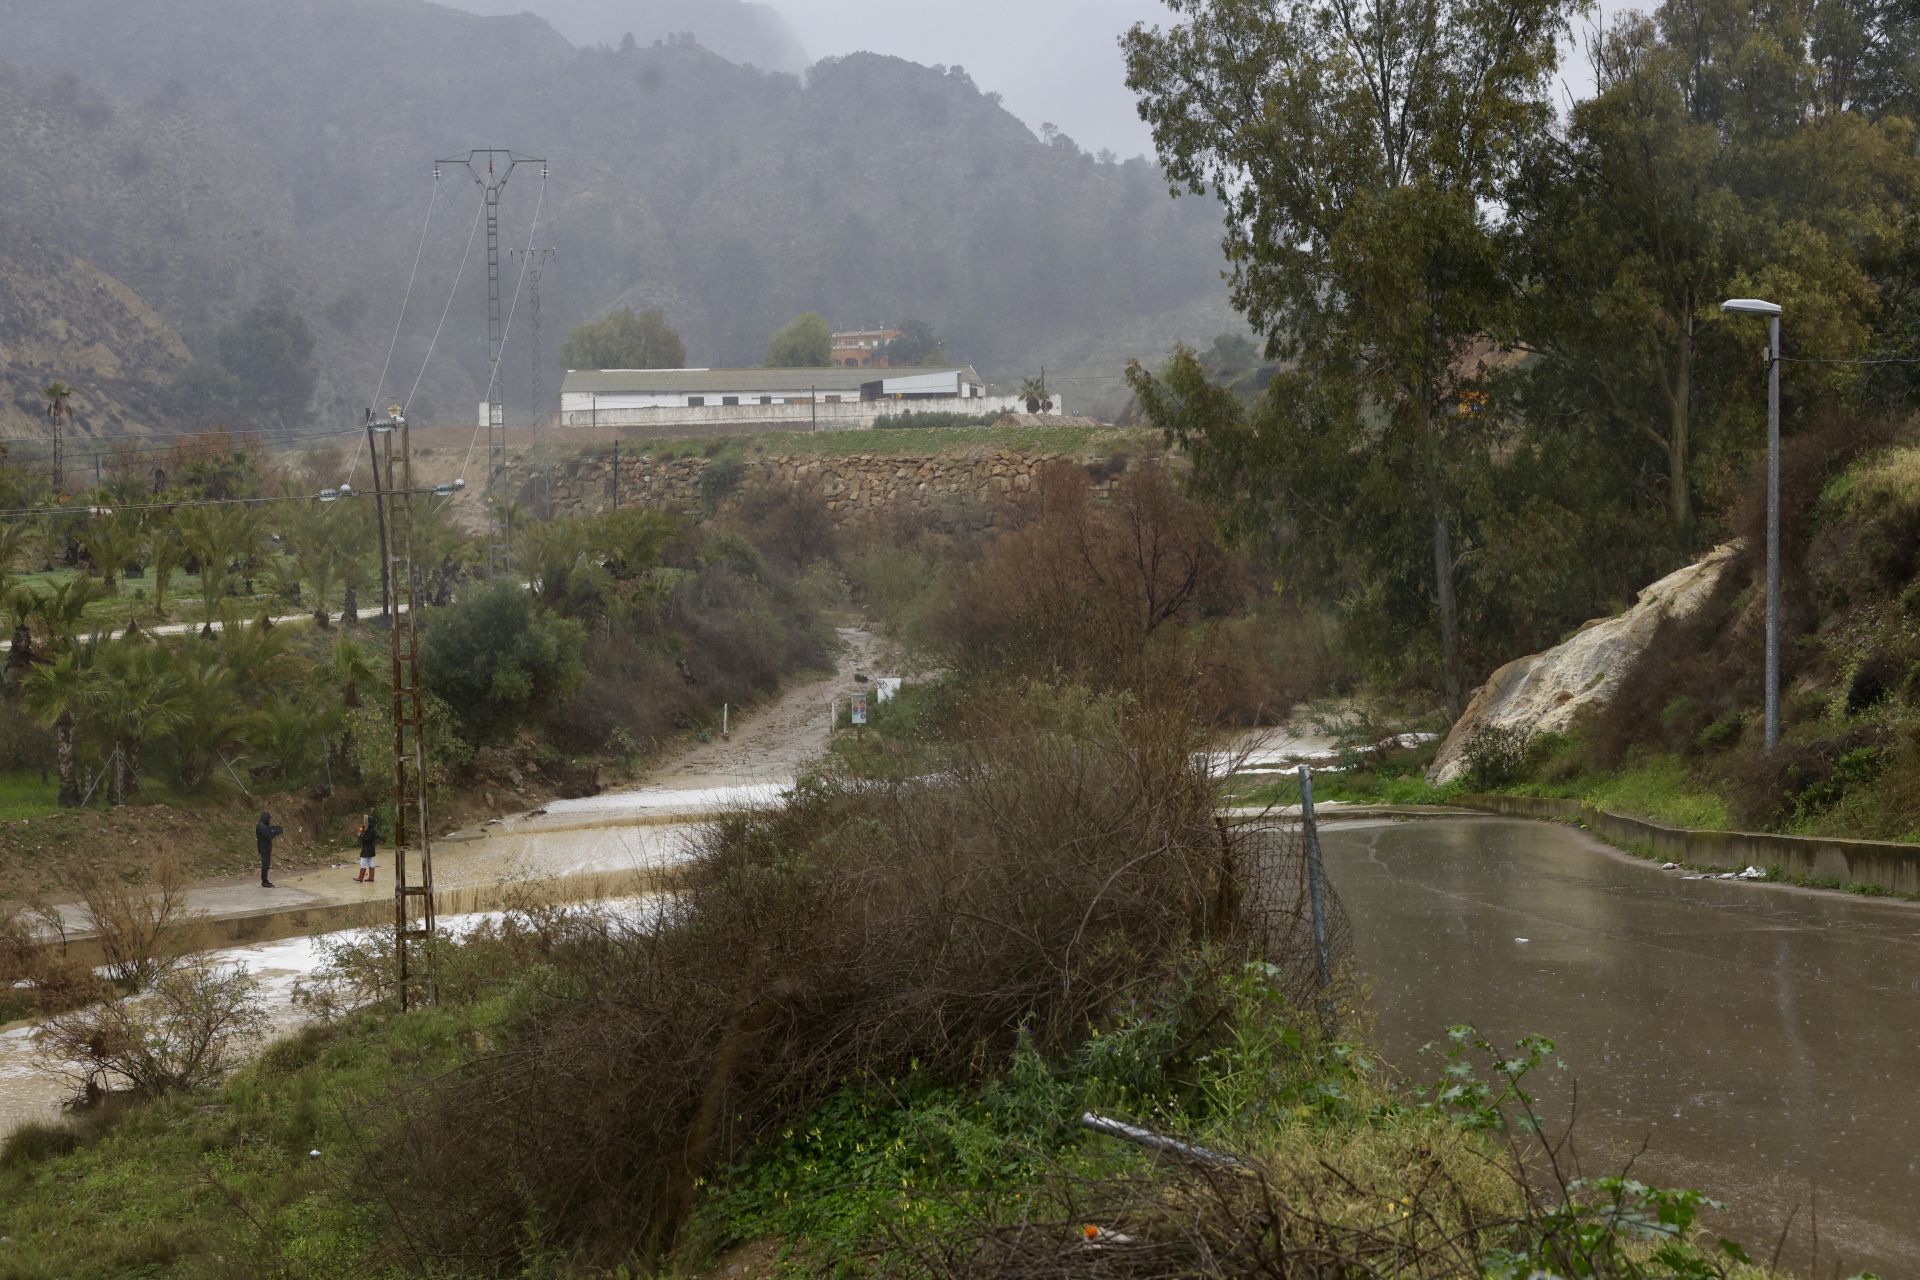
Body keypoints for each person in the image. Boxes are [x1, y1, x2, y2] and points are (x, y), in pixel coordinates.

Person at [256, 811, 284, 888]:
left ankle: (265, 880)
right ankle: (264, 881)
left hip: (265, 848)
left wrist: (275, 829)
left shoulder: (262, 825)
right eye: (268, 818)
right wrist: (276, 831)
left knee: (266, 865)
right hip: (264, 848)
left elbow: (269, 830)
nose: (269, 820)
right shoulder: (261, 827)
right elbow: (269, 835)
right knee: (265, 865)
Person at [354, 812, 378, 883]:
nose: (366, 823)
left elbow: (367, 839)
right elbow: (365, 832)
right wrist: (362, 831)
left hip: (367, 848)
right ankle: (371, 877)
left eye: (368, 821)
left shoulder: (371, 830)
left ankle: (360, 878)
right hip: (370, 848)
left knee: (363, 862)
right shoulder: (371, 829)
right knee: (370, 862)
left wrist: (360, 835)